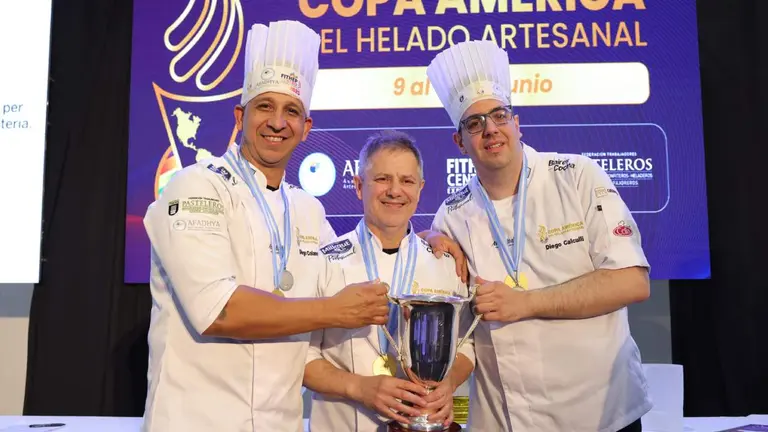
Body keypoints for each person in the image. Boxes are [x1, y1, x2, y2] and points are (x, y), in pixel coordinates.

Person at [141, 20, 391, 432]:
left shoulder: (307, 210)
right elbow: (219, 311)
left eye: (291, 111)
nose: (278, 122)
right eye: (265, 107)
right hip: (194, 422)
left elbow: (357, 273)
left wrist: (435, 239)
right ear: (240, 115)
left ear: (306, 128)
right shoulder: (194, 187)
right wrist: (331, 311)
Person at [424, 40, 653, 432]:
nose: (490, 130)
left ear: (517, 123)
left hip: (602, 415)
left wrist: (524, 303)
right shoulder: (453, 214)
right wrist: (425, 240)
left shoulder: (577, 176)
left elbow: (632, 281)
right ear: (459, 141)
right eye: (474, 123)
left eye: (499, 115)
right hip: (507, 420)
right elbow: (458, 325)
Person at [304, 130, 476, 432]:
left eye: (407, 181)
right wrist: (359, 387)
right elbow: (301, 356)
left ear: (420, 189)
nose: (395, 191)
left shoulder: (447, 264)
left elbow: (468, 343)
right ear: (358, 186)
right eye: (382, 179)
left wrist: (448, 383)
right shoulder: (323, 262)